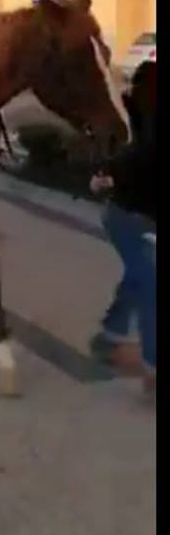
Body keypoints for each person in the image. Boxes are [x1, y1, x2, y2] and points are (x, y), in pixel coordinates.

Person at [89, 60, 156, 399]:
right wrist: (109, 174)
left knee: (139, 277)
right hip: (126, 216)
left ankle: (110, 336)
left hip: (140, 214)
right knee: (150, 283)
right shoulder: (144, 121)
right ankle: (153, 369)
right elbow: (138, 153)